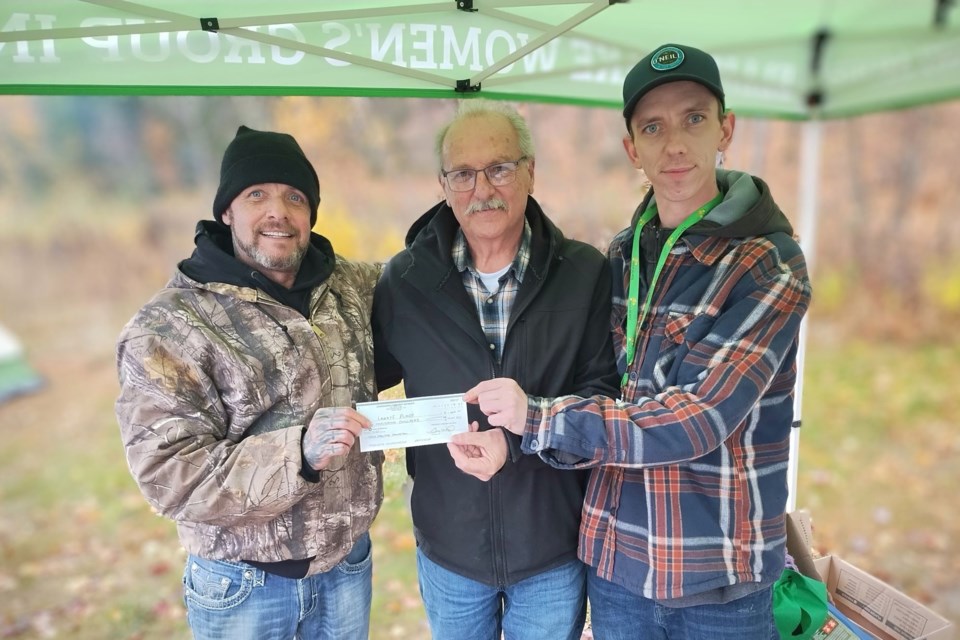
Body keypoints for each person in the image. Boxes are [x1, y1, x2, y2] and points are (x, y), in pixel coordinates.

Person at [456, 43, 813, 639]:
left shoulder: (768, 265)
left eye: (693, 118)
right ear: (632, 149)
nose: (674, 143)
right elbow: (599, 387)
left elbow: (698, 418)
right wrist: (514, 439)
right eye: (653, 127)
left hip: (717, 576)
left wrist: (537, 419)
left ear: (725, 128)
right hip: (617, 567)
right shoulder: (622, 254)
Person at [115, 125, 383, 640]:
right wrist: (297, 454)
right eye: (256, 194)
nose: (277, 211)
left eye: (295, 197)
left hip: (348, 568)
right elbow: (169, 472)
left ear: (310, 215)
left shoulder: (349, 287)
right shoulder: (169, 327)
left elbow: (423, 277)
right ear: (226, 212)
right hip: (244, 587)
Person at [372, 99, 619, 640]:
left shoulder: (584, 272)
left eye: (499, 168)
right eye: (462, 173)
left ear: (531, 170)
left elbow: (604, 395)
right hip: (450, 547)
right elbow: (363, 375)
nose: (482, 189)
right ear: (443, 184)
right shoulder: (406, 280)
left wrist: (526, 437)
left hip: (551, 543)